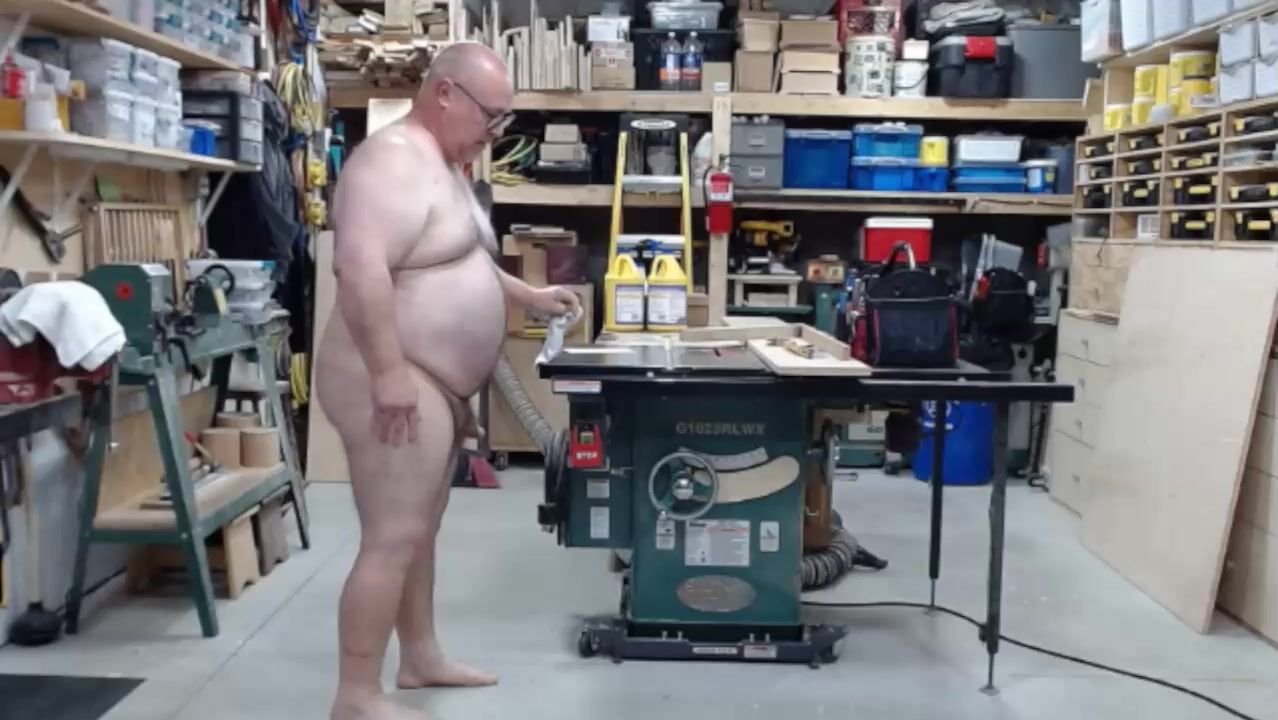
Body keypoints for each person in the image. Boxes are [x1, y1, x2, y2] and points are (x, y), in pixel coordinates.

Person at [315, 42, 581, 720]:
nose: (495, 132)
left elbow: (457, 257)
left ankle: (420, 656)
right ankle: (355, 694)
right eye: (491, 116)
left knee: (419, 529)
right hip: (390, 372)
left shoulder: (445, 166)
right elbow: (360, 271)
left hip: (428, 379)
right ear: (444, 93)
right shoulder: (389, 162)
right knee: (392, 536)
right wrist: (388, 373)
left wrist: (527, 296)